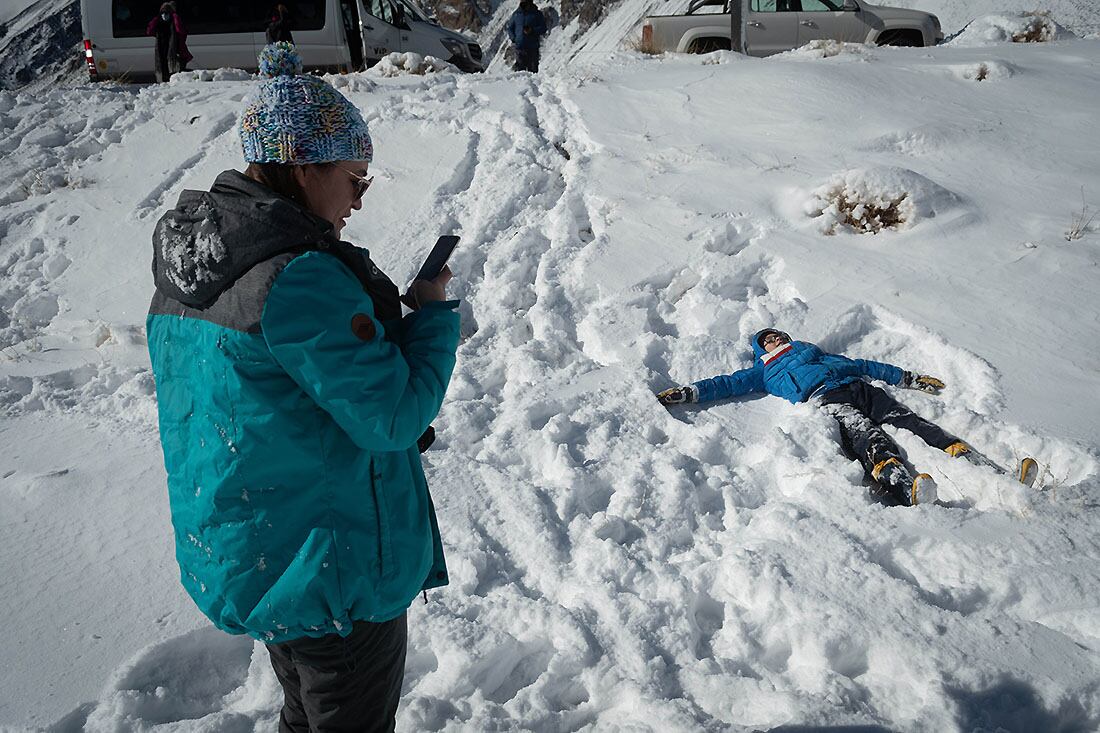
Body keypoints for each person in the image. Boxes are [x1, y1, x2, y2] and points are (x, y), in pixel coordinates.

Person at [146, 42, 460, 730]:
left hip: (263, 556)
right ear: (303, 167)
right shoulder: (296, 277)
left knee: (305, 709)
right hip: (331, 572)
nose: (358, 197)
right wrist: (434, 318)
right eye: (354, 177)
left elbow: (288, 394)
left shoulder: (197, 263)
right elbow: (393, 416)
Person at [657, 328, 1033, 506]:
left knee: (916, 424)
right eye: (766, 340)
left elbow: (866, 365)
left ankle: (989, 470)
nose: (773, 340)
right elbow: (727, 383)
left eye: (776, 336)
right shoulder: (764, 372)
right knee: (867, 436)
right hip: (826, 398)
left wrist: (910, 378)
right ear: (760, 349)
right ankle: (904, 485)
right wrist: (689, 392)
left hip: (861, 387)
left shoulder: (816, 352)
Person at [146, 1, 192, 82]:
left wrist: (173, 16)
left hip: (171, 52)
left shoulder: (171, 21)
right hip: (168, 52)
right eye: (163, 12)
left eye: (167, 11)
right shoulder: (163, 22)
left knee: (173, 74)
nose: (165, 14)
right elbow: (150, 31)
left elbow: (180, 30)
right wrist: (157, 18)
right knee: (171, 74)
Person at [506, 0, 547, 73]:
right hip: (520, 47)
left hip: (532, 48)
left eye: (526, 2)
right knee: (520, 73)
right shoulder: (516, 14)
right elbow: (510, 28)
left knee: (533, 72)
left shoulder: (537, 14)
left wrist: (532, 30)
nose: (524, 4)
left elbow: (543, 28)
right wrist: (514, 38)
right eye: (522, 3)